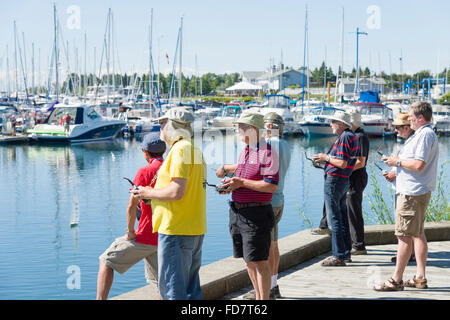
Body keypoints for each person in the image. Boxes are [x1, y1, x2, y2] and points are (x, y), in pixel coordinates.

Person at [131, 107, 207, 300]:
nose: (161, 128)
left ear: (173, 126)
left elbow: (177, 191)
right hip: (194, 226)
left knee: (172, 291)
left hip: (176, 229)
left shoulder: (180, 150)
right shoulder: (193, 149)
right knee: (190, 291)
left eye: (163, 124)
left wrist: (148, 192)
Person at [374, 102, 438, 291]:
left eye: (411, 117)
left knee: (403, 236)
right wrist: (396, 170)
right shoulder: (422, 134)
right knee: (417, 233)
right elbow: (416, 165)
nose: (408, 120)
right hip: (415, 191)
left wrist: (397, 162)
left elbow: (419, 165)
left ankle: (396, 280)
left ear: (420, 117)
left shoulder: (425, 134)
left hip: (412, 193)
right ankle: (420, 277)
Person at [216, 111, 279, 300]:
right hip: (238, 212)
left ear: (252, 130)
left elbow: (270, 186)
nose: (237, 131)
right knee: (248, 261)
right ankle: (259, 297)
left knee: (259, 262)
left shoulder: (268, 153)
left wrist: (241, 183)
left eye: (240, 128)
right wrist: (231, 185)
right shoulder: (246, 150)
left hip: (256, 214)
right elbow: (243, 176)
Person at [96, 132, 166, 300]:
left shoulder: (145, 171)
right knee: (161, 286)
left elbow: (131, 204)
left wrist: (130, 231)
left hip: (146, 236)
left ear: (146, 152)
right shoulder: (171, 170)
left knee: (106, 260)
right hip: (166, 236)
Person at [313, 111, 359, 266]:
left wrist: (325, 158)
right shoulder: (353, 136)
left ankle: (338, 256)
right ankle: (345, 253)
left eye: (333, 121)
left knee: (334, 218)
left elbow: (342, 163)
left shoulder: (345, 137)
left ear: (340, 124)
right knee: (342, 217)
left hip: (335, 181)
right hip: (343, 180)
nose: (330, 124)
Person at [382, 112, 416, 263]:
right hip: (402, 187)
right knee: (406, 226)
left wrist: (394, 165)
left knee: (404, 228)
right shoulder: (410, 142)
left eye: (398, 127)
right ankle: (408, 253)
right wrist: (392, 172)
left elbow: (411, 165)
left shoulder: (411, 143)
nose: (396, 130)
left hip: (407, 190)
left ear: (407, 127)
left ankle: (407, 255)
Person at [346, 111, 370, 255]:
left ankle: (359, 245)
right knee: (350, 211)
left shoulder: (360, 136)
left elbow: (361, 162)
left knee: (354, 211)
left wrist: (343, 168)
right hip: (352, 177)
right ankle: (354, 242)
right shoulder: (355, 135)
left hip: (357, 177)